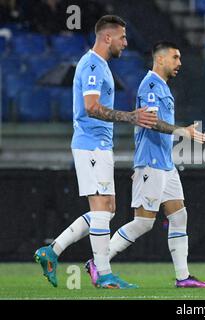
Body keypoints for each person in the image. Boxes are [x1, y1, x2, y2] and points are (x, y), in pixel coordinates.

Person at [34, 15, 158, 289]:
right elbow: (91, 106)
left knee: (108, 209)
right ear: (107, 37)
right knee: (102, 211)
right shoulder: (92, 65)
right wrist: (130, 117)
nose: (126, 43)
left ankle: (52, 251)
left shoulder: (99, 65)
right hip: (91, 144)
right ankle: (102, 273)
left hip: (98, 145)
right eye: (122, 37)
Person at [84, 41, 205, 288]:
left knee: (179, 216)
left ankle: (183, 277)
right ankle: (98, 260)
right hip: (151, 162)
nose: (179, 63)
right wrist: (182, 131)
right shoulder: (151, 86)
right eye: (175, 57)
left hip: (165, 163)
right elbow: (150, 122)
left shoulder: (162, 87)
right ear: (161, 59)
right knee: (143, 222)